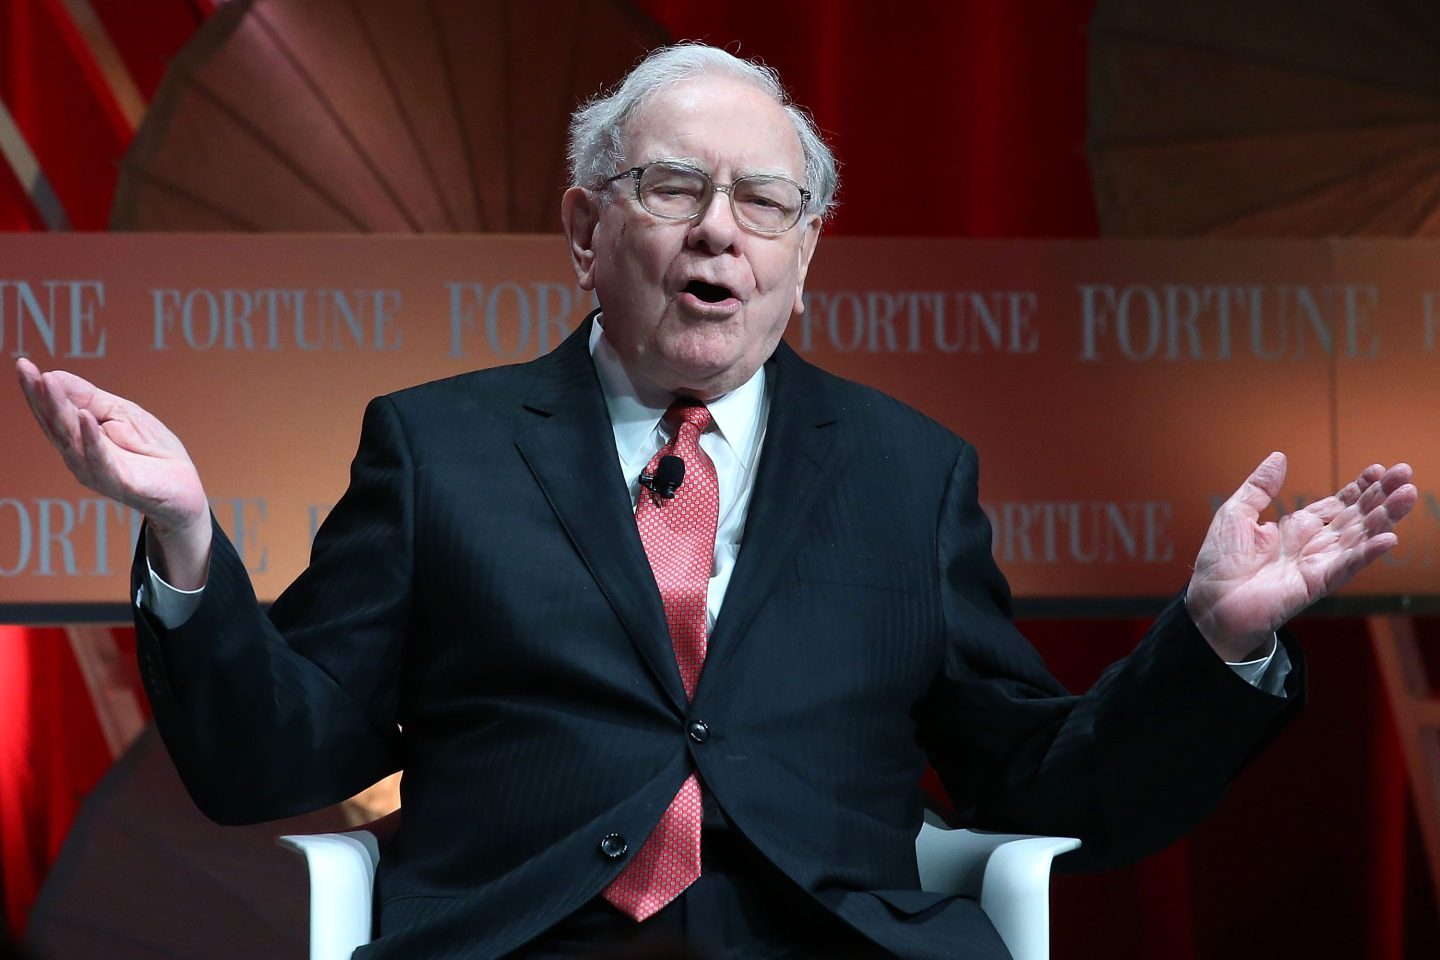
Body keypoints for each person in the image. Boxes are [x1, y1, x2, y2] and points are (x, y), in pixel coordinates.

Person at [17, 44, 1416, 960]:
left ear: (807, 255)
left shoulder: (906, 473)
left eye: (765, 204)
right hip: (528, 939)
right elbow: (273, 759)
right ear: (583, 229)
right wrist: (187, 540)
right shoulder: (438, 450)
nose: (717, 234)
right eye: (674, 187)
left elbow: (1042, 781)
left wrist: (1217, 640)